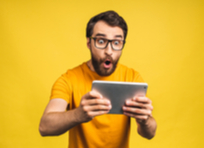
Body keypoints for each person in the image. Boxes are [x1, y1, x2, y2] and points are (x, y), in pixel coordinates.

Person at [39, 10, 157, 148]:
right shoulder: (69, 79)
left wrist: (144, 120)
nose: (109, 50)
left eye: (117, 42)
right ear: (89, 43)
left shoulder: (132, 78)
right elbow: (44, 127)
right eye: (101, 41)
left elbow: (150, 133)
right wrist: (78, 114)